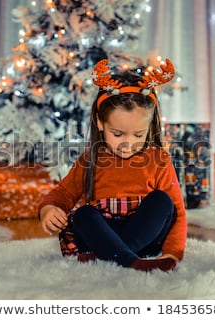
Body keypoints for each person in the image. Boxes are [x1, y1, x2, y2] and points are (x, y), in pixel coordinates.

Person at [38, 58, 187, 272]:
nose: (128, 144)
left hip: (145, 240)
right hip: (100, 238)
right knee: (83, 215)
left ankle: (114, 257)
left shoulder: (158, 159)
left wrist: (172, 254)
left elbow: (178, 214)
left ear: (149, 126)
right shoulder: (90, 159)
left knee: (162, 202)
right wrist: (49, 209)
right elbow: (63, 194)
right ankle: (132, 263)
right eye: (117, 134)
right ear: (100, 123)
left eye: (138, 135)